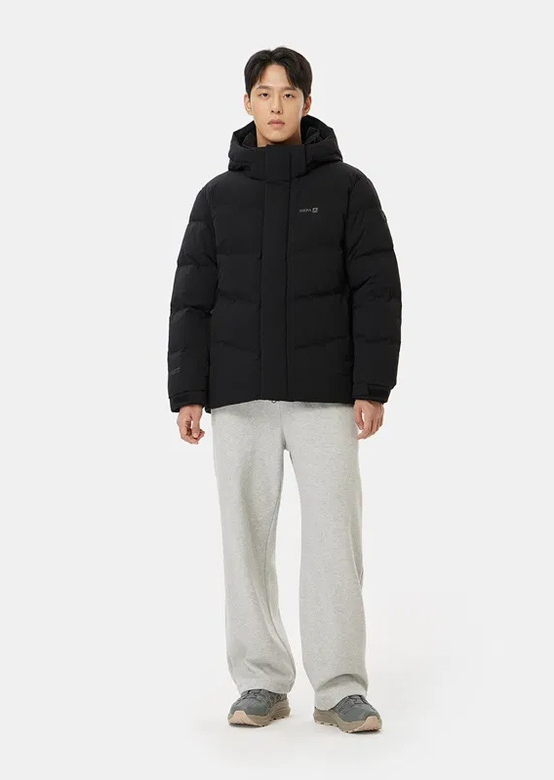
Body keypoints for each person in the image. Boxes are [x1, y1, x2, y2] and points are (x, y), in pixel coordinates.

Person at [167, 47, 401, 733]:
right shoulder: (217, 197)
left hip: (325, 397)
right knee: (244, 540)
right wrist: (188, 391)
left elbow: (377, 289)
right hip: (239, 397)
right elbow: (191, 300)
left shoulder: (349, 189)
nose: (276, 106)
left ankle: (340, 688)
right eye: (264, 94)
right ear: (247, 103)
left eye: (288, 94)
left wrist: (371, 385)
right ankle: (261, 682)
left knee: (334, 540)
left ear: (307, 103)